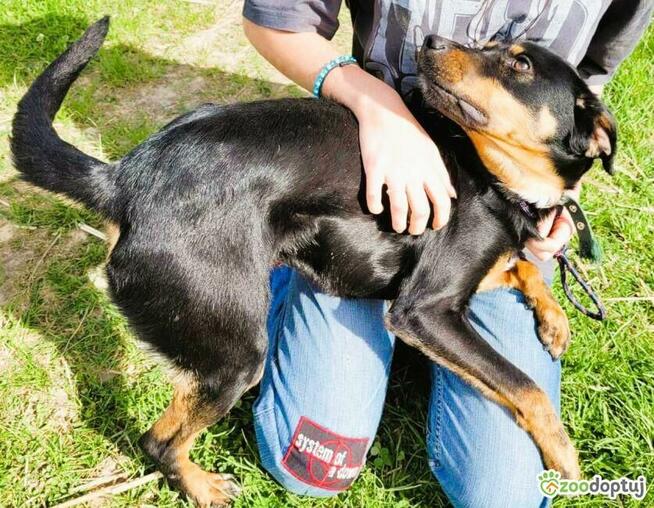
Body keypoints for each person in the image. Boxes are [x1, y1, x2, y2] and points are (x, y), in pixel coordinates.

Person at [241, 1, 652, 506]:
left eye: (515, 63)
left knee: (508, 495)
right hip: (361, 196)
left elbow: (579, 88)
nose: (441, 51)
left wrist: (551, 199)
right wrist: (378, 106)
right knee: (312, 465)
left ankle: (445, 315)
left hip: (500, 204)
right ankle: (286, 259)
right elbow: (277, 19)